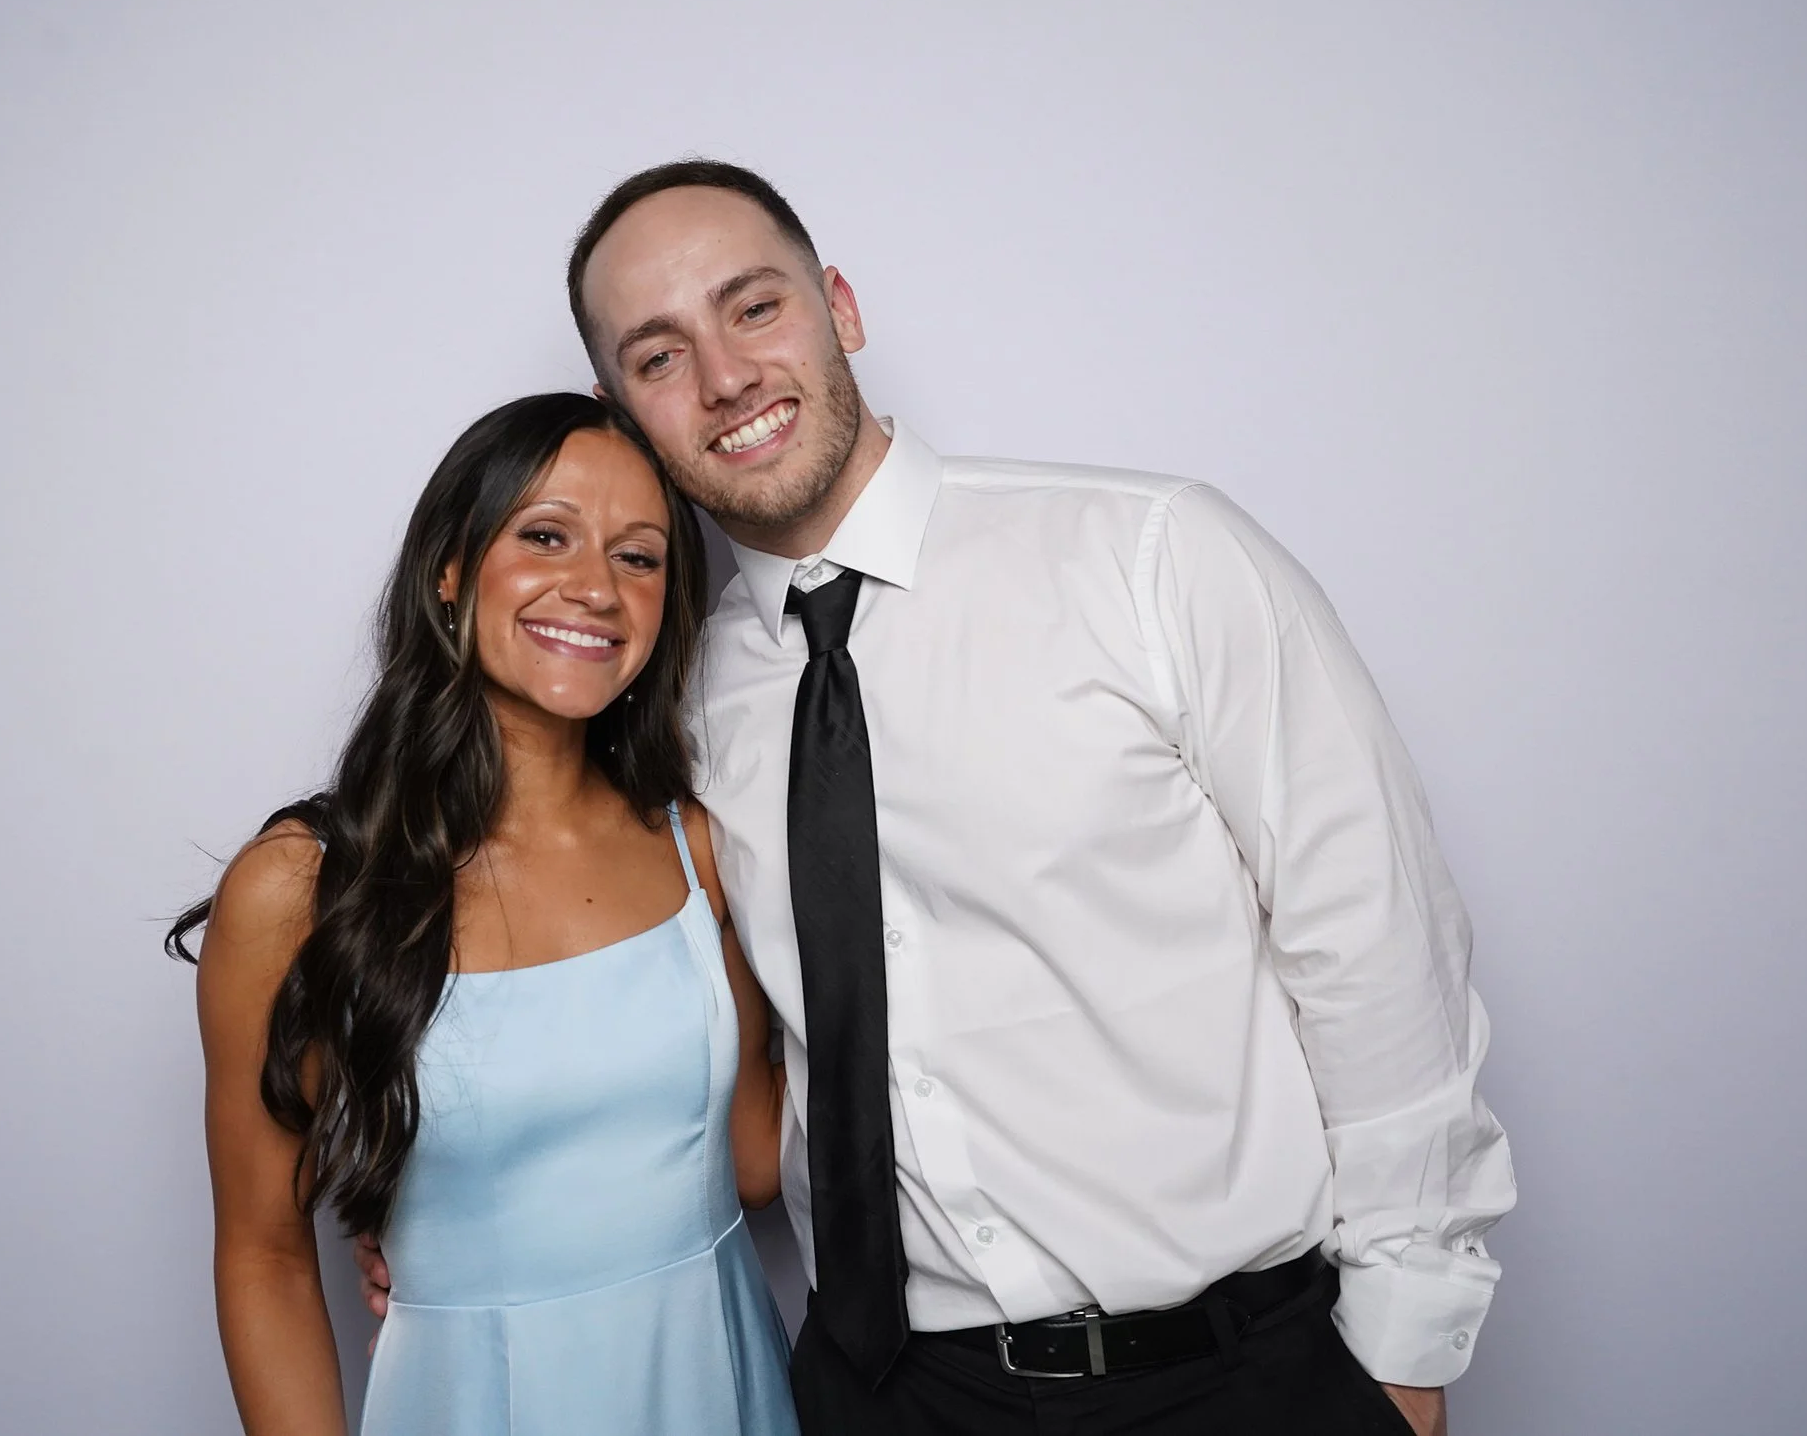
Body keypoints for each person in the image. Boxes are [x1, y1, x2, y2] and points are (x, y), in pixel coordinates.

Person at [375, 162, 1516, 1435]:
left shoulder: (1150, 557)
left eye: (754, 307)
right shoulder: (662, 698)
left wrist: (1405, 1347)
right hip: (882, 1395)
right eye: (659, 354)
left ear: (840, 307)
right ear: (621, 413)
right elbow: (605, 980)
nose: (726, 376)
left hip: (1231, 1378)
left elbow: (1374, 941)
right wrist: (443, 1204)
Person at [167, 392, 800, 1436]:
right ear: (450, 569)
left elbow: (756, 1158)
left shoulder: (694, 843)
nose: (595, 586)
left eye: (638, 556)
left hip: (719, 1380)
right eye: (546, 535)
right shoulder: (300, 888)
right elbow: (264, 1255)